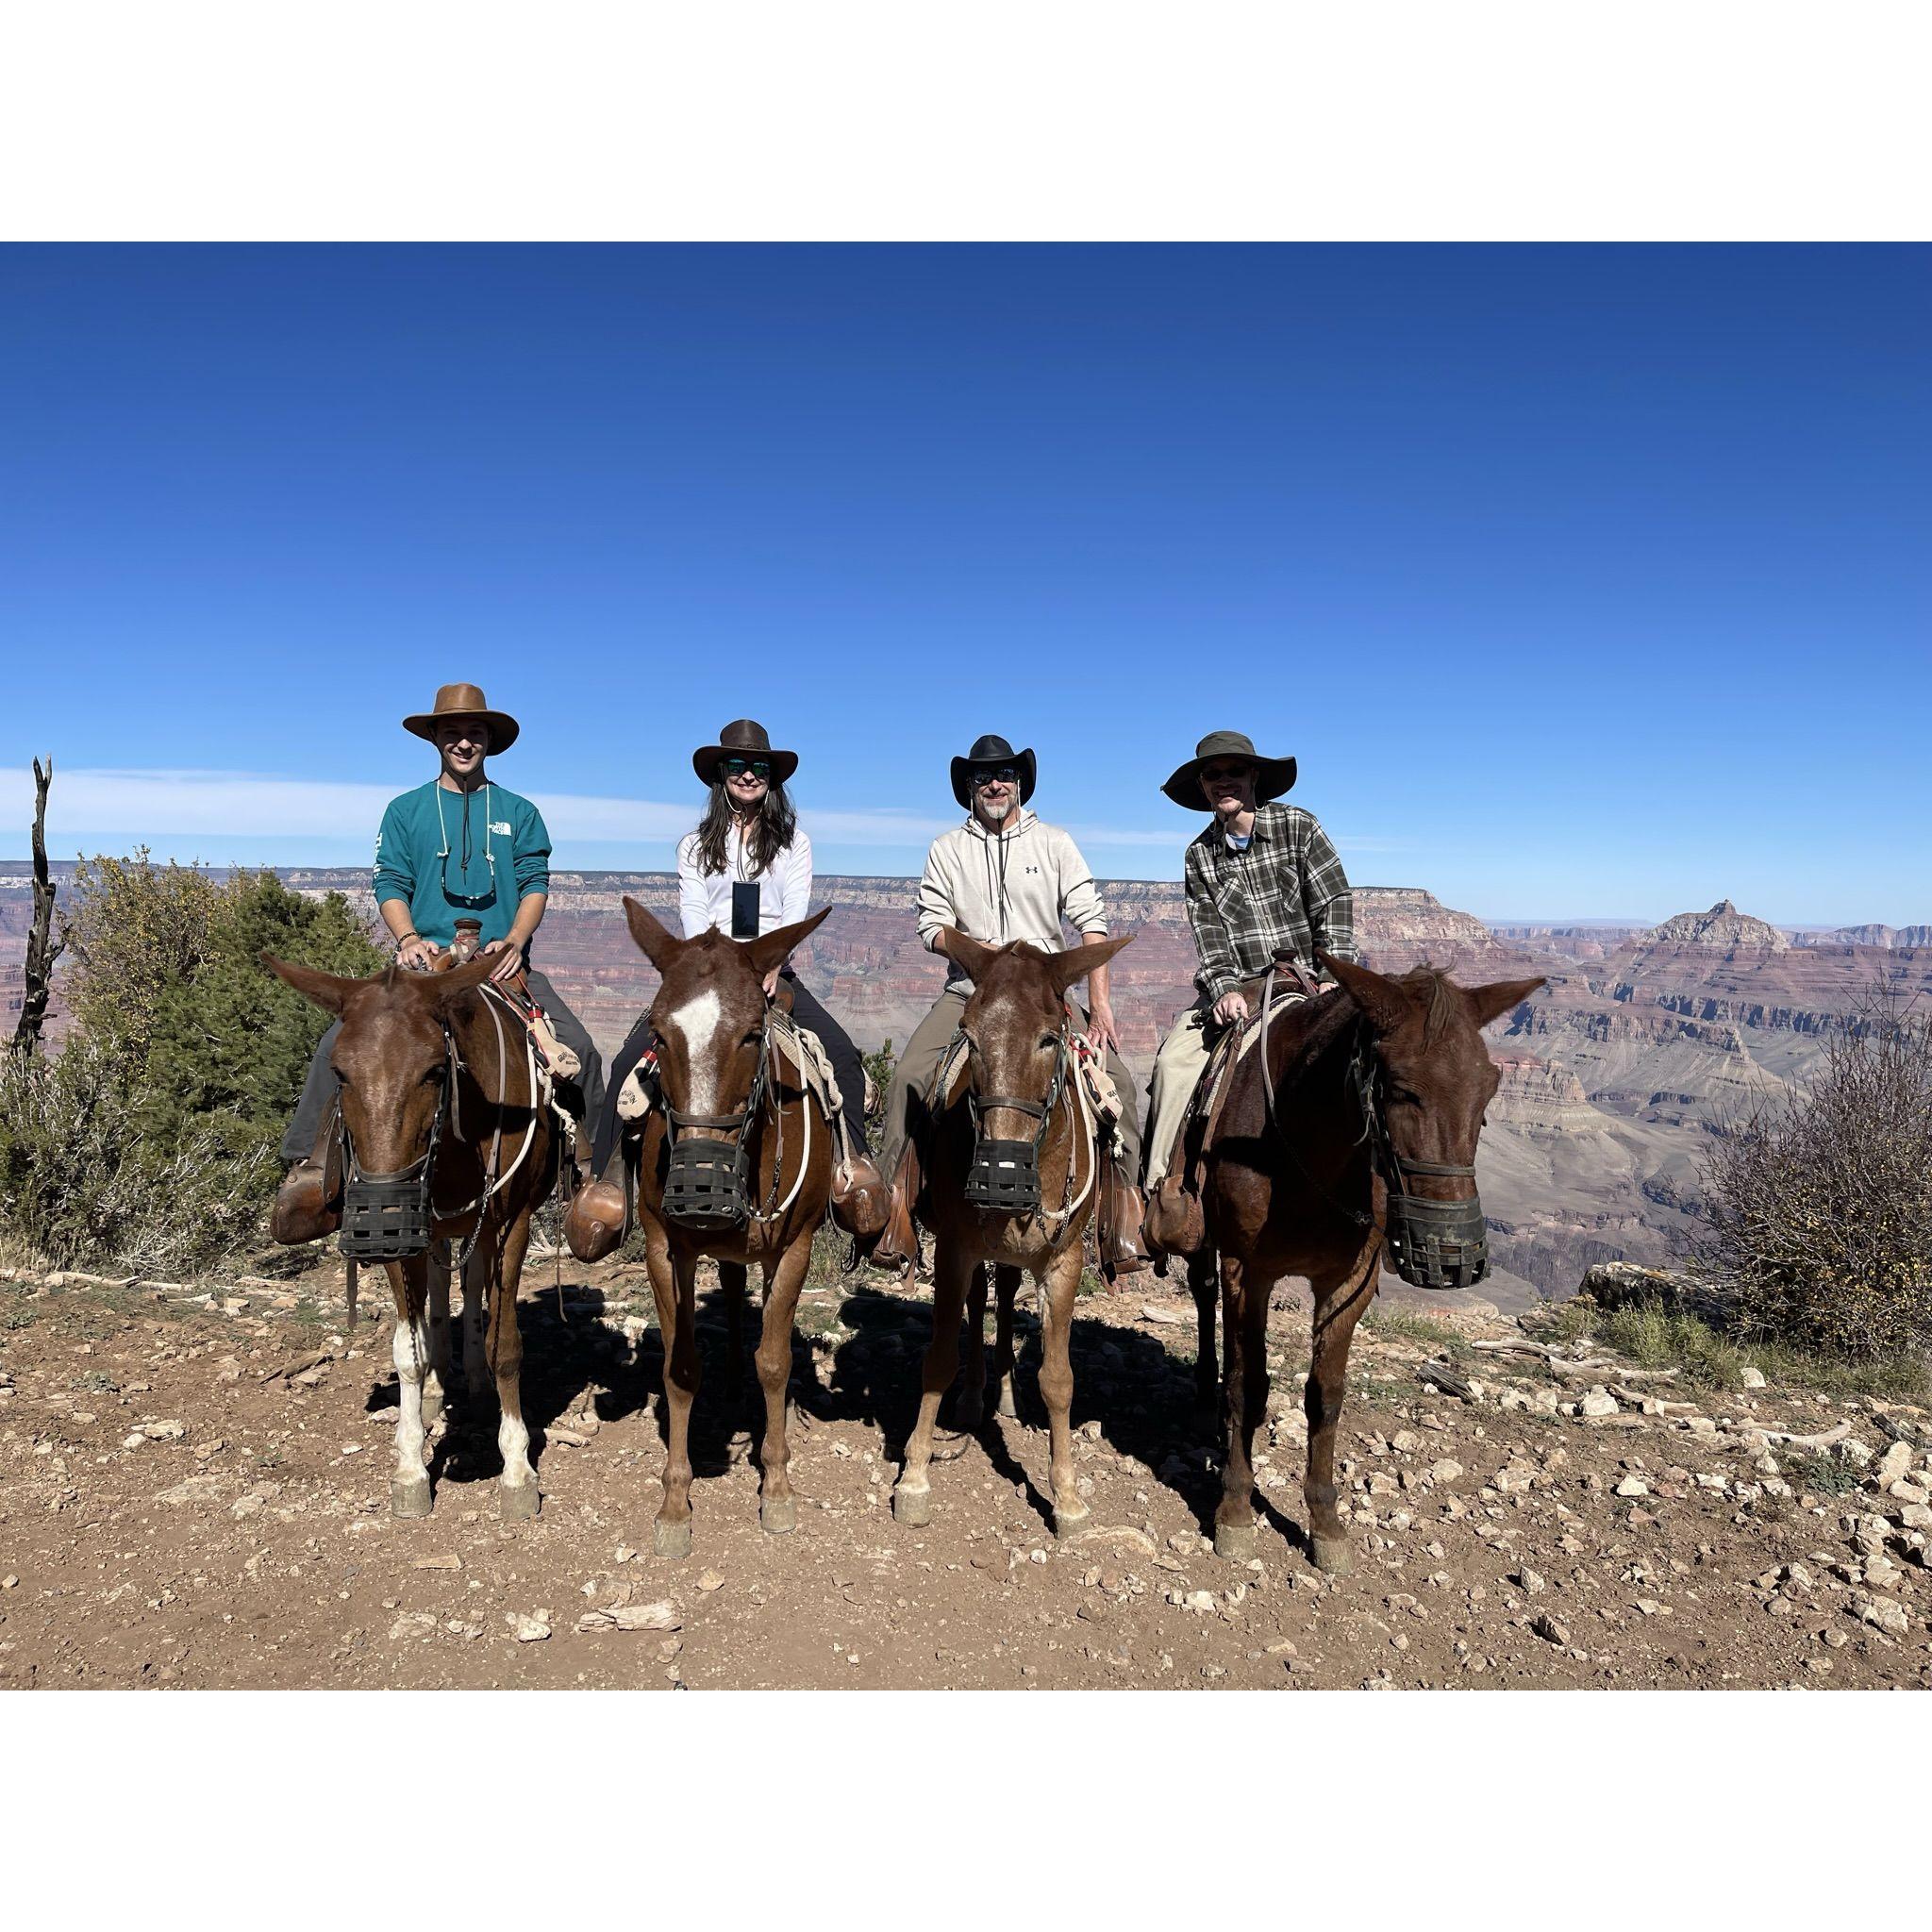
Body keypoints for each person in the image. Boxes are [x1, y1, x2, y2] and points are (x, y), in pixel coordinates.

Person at [272, 683, 603, 1241]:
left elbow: (534, 884)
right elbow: (391, 882)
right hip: (422, 966)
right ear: (435, 739)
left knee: (583, 1051)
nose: (464, 742)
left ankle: (589, 1185)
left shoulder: (520, 812)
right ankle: (310, 1169)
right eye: (453, 732)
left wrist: (516, 942)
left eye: (475, 732)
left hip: (499, 963)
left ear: (489, 741)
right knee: (338, 1045)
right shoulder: (406, 811)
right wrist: (406, 939)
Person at [874, 733, 1145, 1269]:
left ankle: (1123, 1219)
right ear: (969, 788)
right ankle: (894, 1213)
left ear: (1019, 783)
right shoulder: (947, 850)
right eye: (983, 776)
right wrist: (982, 956)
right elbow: (931, 924)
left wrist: (1101, 1006)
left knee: (1121, 1088)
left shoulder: (1055, 843)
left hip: (1044, 995)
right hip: (971, 992)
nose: (995, 783)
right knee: (909, 1075)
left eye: (1004, 775)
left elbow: (1092, 923)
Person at [582, 718, 879, 1187]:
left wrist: (773, 961)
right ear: (721, 774)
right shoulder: (696, 846)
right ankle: (603, 1186)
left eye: (758, 765)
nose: (747, 774)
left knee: (842, 1058)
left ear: (771, 776)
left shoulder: (793, 843)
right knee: (627, 1064)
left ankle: (856, 1175)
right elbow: (694, 912)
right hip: (706, 974)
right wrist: (714, 970)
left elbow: (794, 910)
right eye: (737, 764)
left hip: (771, 971)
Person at [1141, 729, 1355, 1192]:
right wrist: (1224, 990)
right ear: (1202, 786)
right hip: (1240, 986)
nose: (1224, 782)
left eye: (1234, 771)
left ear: (1254, 776)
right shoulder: (1199, 855)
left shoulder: (1299, 827)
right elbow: (1210, 936)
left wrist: (1332, 976)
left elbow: (1333, 903)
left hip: (1308, 980)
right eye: (1212, 775)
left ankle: (1396, 1200)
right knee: (1172, 1067)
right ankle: (1159, 1194)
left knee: (1387, 1064)